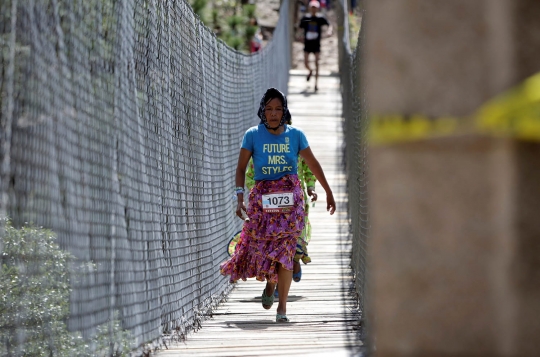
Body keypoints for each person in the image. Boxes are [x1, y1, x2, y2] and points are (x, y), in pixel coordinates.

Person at [220, 88, 336, 323]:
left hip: (291, 205)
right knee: (264, 250)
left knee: (286, 252)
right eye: (269, 109)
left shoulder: (296, 136)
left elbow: (312, 163)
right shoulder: (252, 135)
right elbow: (241, 168)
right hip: (262, 204)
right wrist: (240, 197)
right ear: (263, 110)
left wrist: (328, 190)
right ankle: (270, 286)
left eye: (278, 109)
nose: (273, 114)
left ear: (285, 111)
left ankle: (282, 308)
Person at [244, 119, 317, 288]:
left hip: (296, 204)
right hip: (270, 208)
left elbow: (308, 168)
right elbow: (250, 176)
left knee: (295, 243)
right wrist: (259, 192)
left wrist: (311, 188)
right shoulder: (261, 151)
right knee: (276, 245)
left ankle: (296, 261)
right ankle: (275, 283)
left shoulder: (297, 144)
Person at [299, 1, 332, 91]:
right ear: (309, 8)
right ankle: (310, 71)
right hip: (307, 44)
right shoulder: (306, 18)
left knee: (317, 63)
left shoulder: (320, 18)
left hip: (316, 44)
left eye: (315, 7)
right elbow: (299, 27)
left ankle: (316, 84)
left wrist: (329, 31)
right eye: (312, 7)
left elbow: (329, 25)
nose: (313, 9)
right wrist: (299, 35)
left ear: (317, 8)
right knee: (306, 63)